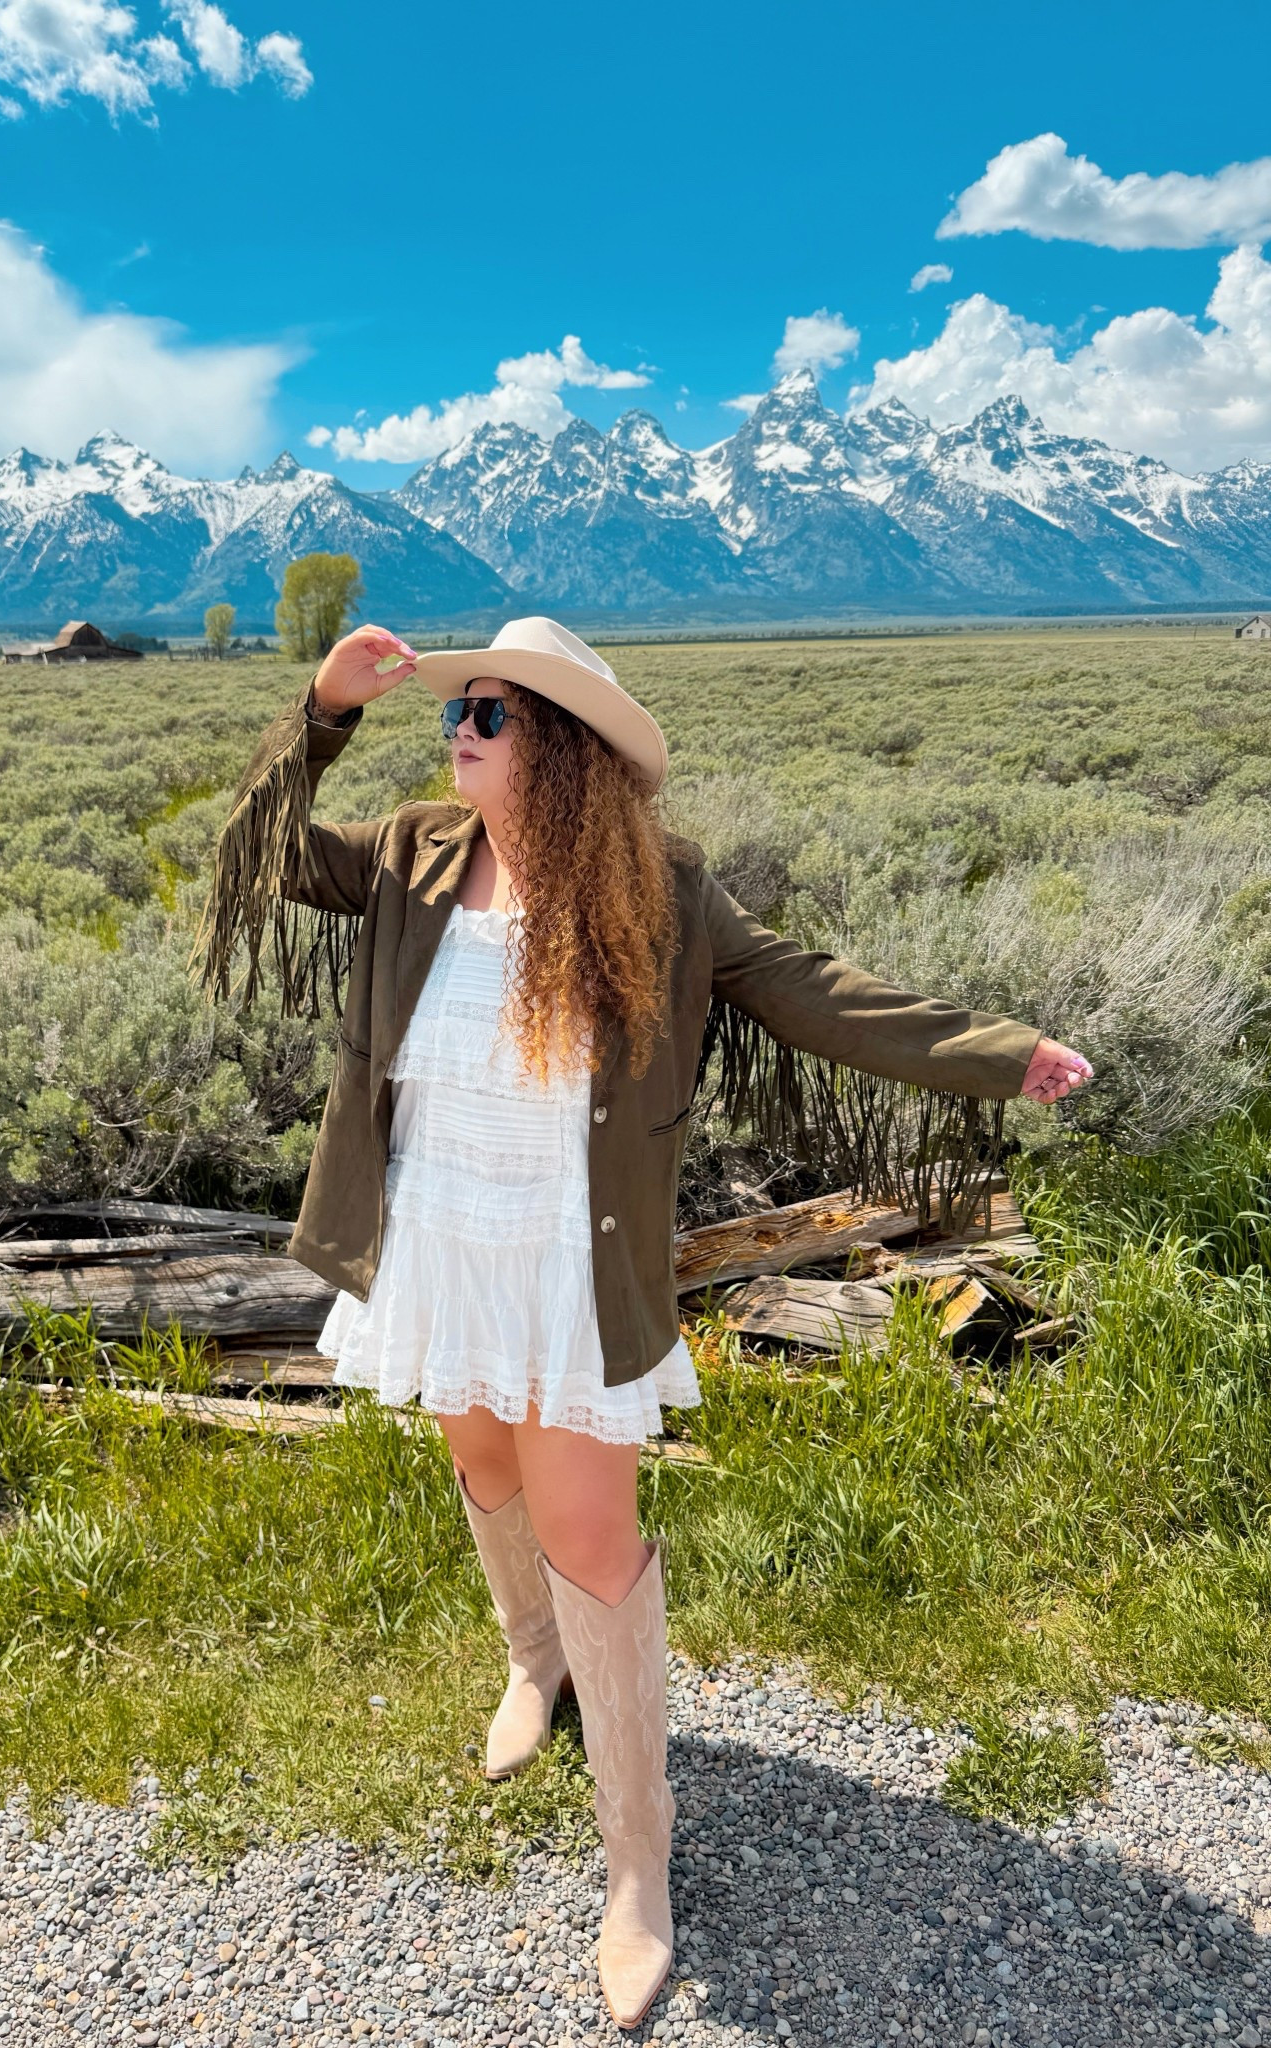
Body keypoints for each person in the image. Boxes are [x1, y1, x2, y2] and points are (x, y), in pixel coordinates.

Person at [191, 616, 1093, 2031]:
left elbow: (812, 993)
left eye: (489, 714)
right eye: (464, 709)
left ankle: (637, 1866)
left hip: (568, 1258)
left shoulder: (663, 892)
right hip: (438, 1231)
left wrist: (997, 1055)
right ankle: (531, 1662)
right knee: (478, 1464)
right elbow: (250, 861)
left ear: (559, 748)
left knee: (593, 1535)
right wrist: (320, 714)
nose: (462, 729)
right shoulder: (416, 849)